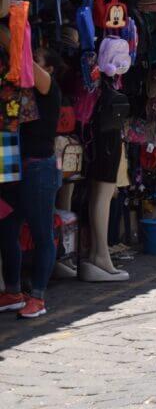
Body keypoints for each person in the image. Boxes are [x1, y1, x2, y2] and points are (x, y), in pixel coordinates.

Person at [0, 50, 63, 318]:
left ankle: (38, 297)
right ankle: (13, 292)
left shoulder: (50, 89)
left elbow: (22, 58)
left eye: (40, 61)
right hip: (13, 165)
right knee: (6, 229)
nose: (32, 64)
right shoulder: (18, 92)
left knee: (41, 234)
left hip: (39, 167)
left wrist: (13, 31)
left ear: (49, 69)